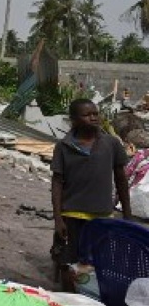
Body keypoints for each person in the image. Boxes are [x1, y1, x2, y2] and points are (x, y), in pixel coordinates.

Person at [51, 98, 132, 292]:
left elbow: (121, 179)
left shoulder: (111, 143)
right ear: (73, 119)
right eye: (87, 115)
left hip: (102, 214)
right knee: (70, 261)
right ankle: (69, 297)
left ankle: (91, 297)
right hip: (72, 214)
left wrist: (127, 214)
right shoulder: (63, 147)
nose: (93, 118)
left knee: (98, 261)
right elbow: (57, 183)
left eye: (95, 113)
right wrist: (58, 219)